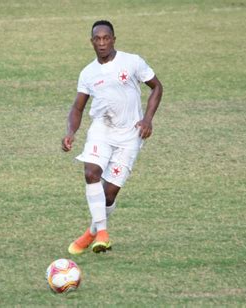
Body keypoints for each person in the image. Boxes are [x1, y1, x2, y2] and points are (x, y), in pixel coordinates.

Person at [62, 20, 163, 254]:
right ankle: (104, 234)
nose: (102, 43)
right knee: (91, 173)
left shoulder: (132, 61)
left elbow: (157, 87)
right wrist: (70, 132)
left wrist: (147, 119)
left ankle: (91, 233)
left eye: (106, 38)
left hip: (130, 135)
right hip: (102, 129)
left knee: (108, 194)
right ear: (91, 42)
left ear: (114, 39)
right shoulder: (88, 73)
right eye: (97, 39)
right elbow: (77, 108)